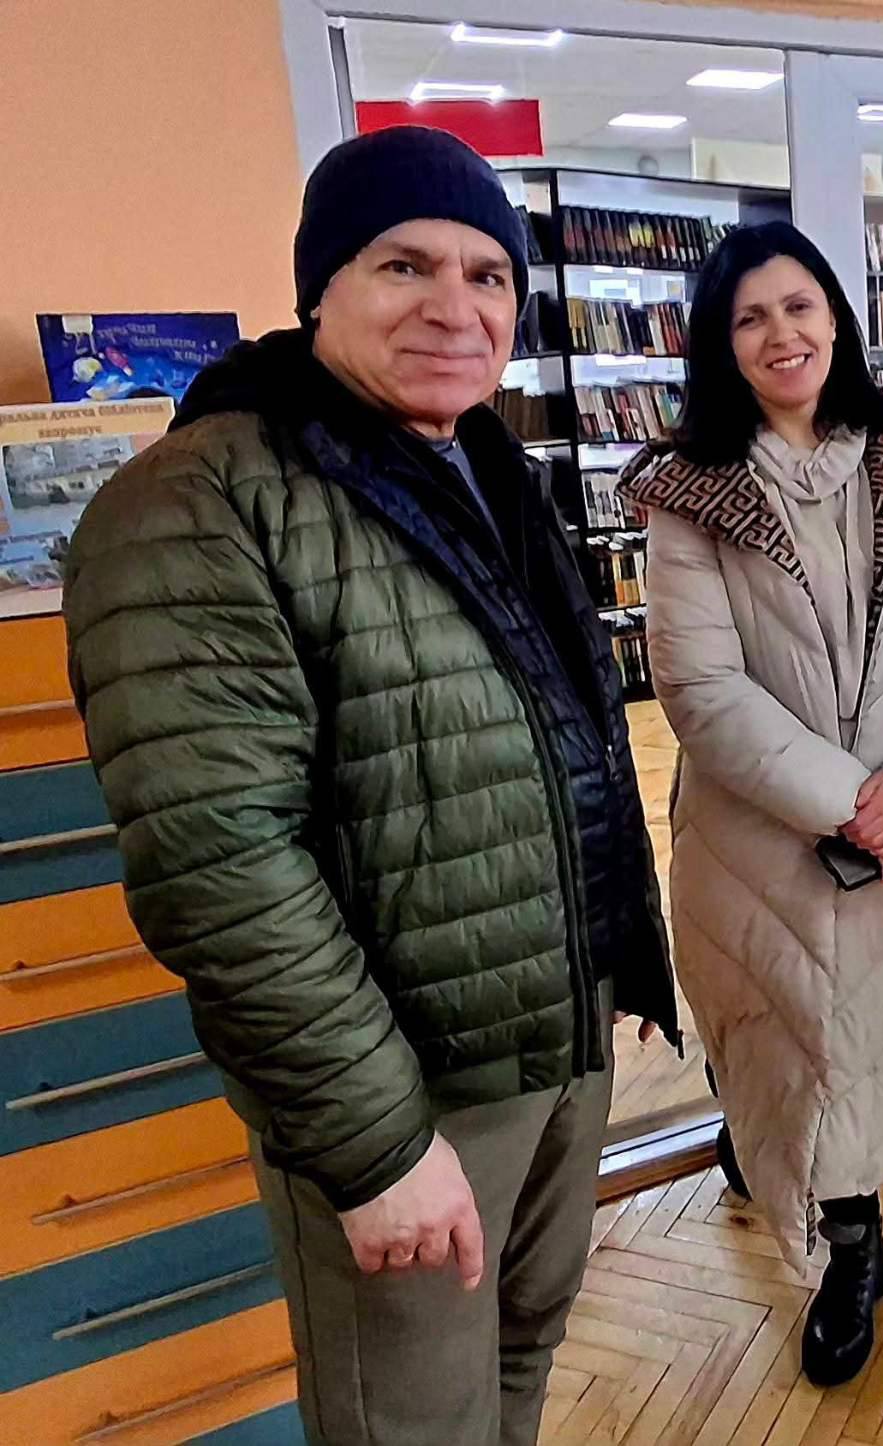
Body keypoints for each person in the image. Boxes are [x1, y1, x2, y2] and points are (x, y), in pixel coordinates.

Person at [63, 126, 679, 1446]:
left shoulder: (489, 469)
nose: (455, 307)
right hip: (408, 1091)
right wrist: (374, 1148)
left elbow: (563, 736)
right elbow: (222, 865)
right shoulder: (198, 501)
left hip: (554, 1043)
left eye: (487, 275)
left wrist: (619, 955)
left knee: (519, 1359)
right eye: (405, 265)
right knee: (408, 1422)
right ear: (320, 288)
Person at [618, 221, 883, 1388]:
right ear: (719, 345)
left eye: (797, 306)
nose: (780, 334)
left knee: (862, 1046)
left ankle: (854, 1243)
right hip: (759, 838)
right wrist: (850, 800)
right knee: (773, 1031)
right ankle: (787, 1176)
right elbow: (700, 689)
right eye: (749, 318)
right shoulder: (691, 489)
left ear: (834, 314)